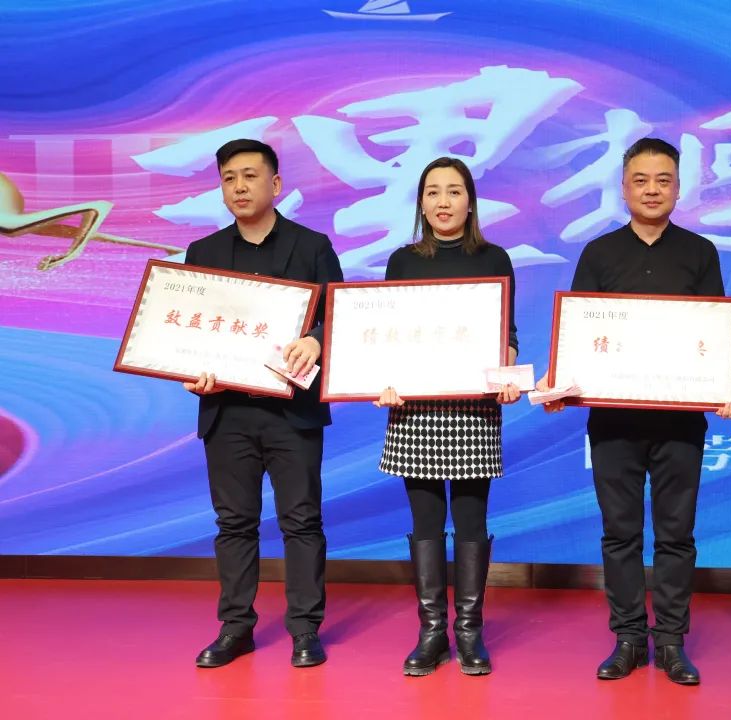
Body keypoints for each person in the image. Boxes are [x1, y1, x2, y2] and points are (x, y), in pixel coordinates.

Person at [539, 138, 731, 686]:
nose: (652, 190)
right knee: (619, 533)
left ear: (678, 187)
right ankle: (628, 638)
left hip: (681, 424)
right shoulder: (599, 253)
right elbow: (579, 338)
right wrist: (561, 384)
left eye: (663, 180)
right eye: (641, 180)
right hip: (613, 425)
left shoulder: (699, 252)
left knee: (677, 534)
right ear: (624, 187)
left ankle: (672, 641)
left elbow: (713, 335)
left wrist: (724, 388)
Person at [184, 139, 343, 669]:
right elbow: (189, 334)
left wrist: (316, 339)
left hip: (292, 411)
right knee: (234, 523)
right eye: (229, 178)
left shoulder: (311, 246)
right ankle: (236, 627)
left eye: (250, 176)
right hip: (227, 410)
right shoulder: (203, 252)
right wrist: (191, 369)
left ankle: (305, 629)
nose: (239, 186)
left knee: (301, 521)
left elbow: (340, 316)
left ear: (275, 184)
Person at [374, 157, 520, 677]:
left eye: (454, 191)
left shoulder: (494, 258)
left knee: (472, 521)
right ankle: (432, 633)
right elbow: (387, 334)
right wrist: (382, 380)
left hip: (473, 407)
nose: (443, 201)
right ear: (420, 202)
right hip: (415, 409)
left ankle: (470, 632)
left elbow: (507, 334)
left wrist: (506, 372)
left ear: (470, 202)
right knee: (425, 521)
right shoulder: (403, 261)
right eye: (432, 191)